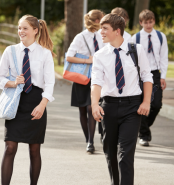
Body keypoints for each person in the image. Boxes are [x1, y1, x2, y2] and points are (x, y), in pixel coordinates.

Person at [91, 14, 153, 185]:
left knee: (125, 155)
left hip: (132, 107)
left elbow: (147, 77)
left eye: (105, 29)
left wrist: (146, 102)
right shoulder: (99, 55)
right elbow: (96, 82)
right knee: (110, 153)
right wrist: (95, 104)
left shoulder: (136, 50)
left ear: (117, 31)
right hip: (108, 107)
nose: (100, 32)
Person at [0, 15, 55, 185]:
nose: (21, 31)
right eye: (19, 28)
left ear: (35, 30)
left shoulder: (45, 54)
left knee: (35, 150)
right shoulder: (10, 50)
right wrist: (13, 83)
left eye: (25, 28)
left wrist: (42, 105)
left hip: (37, 101)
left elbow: (50, 83)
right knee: (10, 148)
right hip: (16, 101)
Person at [66, 9, 104, 154]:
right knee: (83, 109)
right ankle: (88, 138)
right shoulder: (80, 37)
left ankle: (91, 141)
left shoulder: (103, 36)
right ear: (96, 21)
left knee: (90, 107)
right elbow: (69, 57)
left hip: (97, 77)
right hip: (82, 78)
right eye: (102, 19)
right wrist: (87, 60)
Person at [132, 9, 168, 146]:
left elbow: (164, 57)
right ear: (141, 22)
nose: (148, 25)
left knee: (157, 104)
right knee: (142, 102)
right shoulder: (135, 38)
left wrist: (163, 76)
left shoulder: (160, 36)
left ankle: (144, 126)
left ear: (154, 21)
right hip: (140, 74)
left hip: (155, 73)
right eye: (146, 22)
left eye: (151, 22)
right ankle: (144, 135)